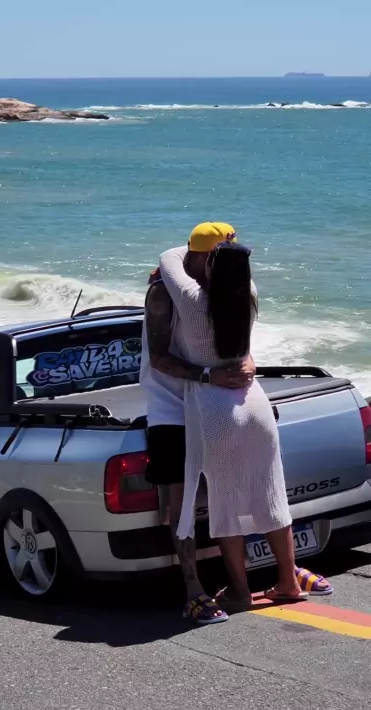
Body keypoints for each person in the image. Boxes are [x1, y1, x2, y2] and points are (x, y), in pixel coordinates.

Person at [141, 222, 333, 624]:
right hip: (176, 407)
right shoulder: (183, 291)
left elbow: (173, 263)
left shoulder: (193, 293)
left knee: (228, 498)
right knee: (189, 502)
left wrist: (229, 367)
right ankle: (198, 587)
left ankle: (250, 584)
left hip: (211, 402)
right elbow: (159, 358)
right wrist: (216, 371)